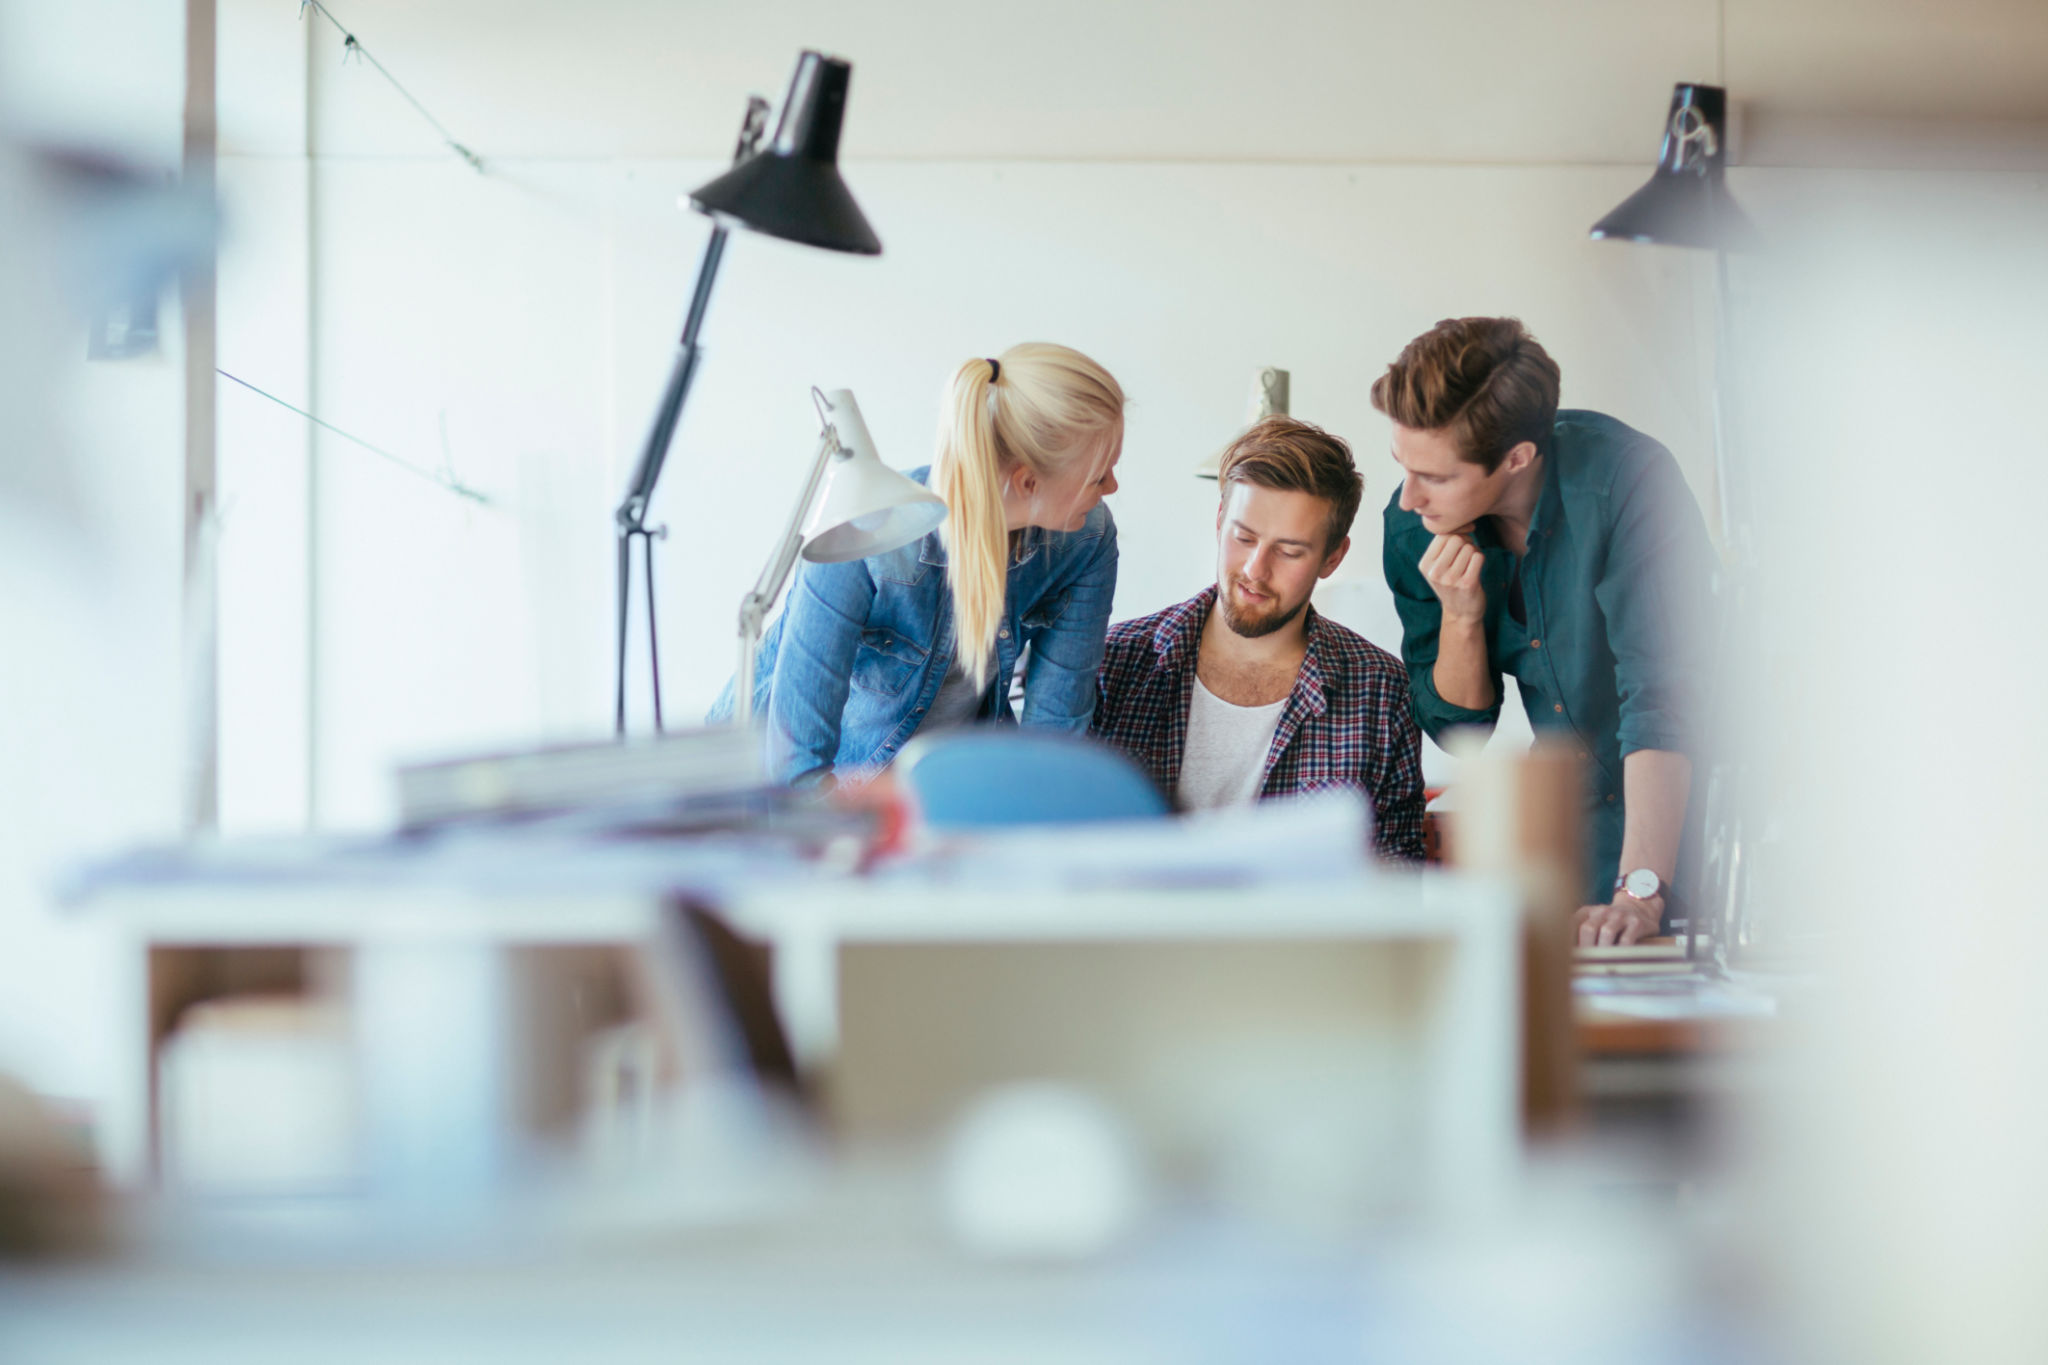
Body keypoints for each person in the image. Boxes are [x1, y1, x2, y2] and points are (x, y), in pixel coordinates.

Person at [1375, 316, 1716, 945]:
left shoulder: (1626, 481)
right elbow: (1459, 728)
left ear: (1517, 457)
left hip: (1703, 822)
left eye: (1437, 476)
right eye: (1404, 466)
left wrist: (1640, 890)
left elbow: (1663, 696)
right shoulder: (1411, 527)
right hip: (1579, 842)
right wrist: (1461, 616)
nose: (1407, 498)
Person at [723, 342, 1125, 787]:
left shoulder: (1086, 540)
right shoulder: (868, 532)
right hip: (784, 787)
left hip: (939, 796)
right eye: (1098, 474)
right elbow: (796, 765)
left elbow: (1055, 742)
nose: (1113, 486)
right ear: (1029, 481)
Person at [1092, 416, 1426, 861]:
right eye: (1243, 537)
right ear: (1218, 520)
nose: (1254, 569)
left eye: (1289, 551)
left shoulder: (1381, 693)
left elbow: (1397, 890)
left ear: (1333, 557)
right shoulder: (1113, 664)